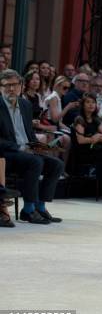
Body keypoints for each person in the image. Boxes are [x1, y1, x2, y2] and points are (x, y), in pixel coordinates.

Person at [0, 69, 64, 224]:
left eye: (15, 85)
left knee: (56, 164)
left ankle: (40, 206)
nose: (11, 89)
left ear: (21, 86)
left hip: (27, 150)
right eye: (6, 85)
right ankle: (28, 210)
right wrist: (21, 148)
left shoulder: (25, 105)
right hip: (7, 153)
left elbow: (28, 133)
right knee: (35, 162)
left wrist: (40, 147)